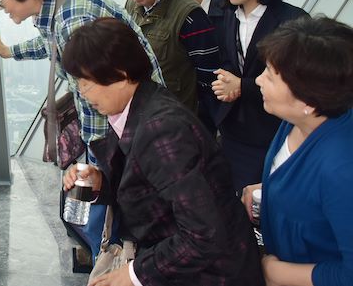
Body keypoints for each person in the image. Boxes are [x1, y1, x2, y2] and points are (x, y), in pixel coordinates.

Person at [61, 18, 263, 286]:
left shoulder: (161, 129)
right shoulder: (137, 107)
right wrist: (100, 183)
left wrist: (133, 274)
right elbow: (151, 191)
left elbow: (204, 234)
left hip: (212, 275)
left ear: (120, 74)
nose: (82, 93)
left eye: (86, 82)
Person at [0, 0, 164, 149]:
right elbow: (51, 43)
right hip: (144, 113)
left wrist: (97, 156)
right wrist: (10, 51)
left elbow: (93, 95)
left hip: (137, 129)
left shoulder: (72, 21)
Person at [242, 17, 353, 286]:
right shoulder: (298, 119)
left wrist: (274, 272)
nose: (259, 80)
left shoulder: (342, 170)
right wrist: (269, 190)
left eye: (270, 76)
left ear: (308, 99)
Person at [212, 0, 307, 191]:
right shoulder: (229, 16)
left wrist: (242, 86)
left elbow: (294, 80)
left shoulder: (292, 21)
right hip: (233, 126)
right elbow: (228, 60)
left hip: (271, 127)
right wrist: (226, 82)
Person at [113, 0, 219, 129]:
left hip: (179, 119)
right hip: (145, 112)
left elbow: (208, 76)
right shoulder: (132, 5)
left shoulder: (190, 15)